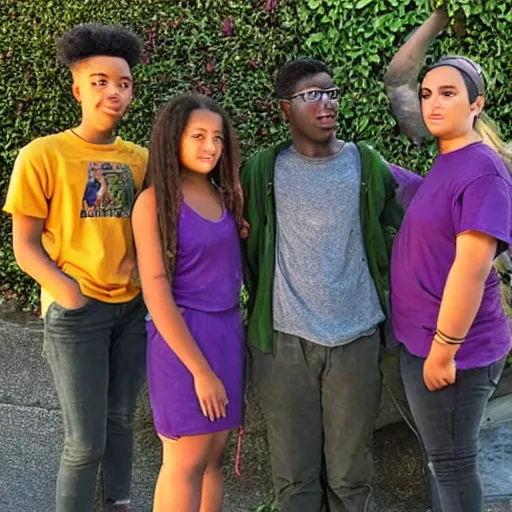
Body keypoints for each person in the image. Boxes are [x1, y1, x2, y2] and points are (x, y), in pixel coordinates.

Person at [240, 57, 404, 511]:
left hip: (356, 336)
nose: (326, 103)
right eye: (312, 95)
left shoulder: (366, 163)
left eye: (331, 92)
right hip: (283, 340)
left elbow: (407, 229)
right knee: (294, 478)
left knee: (351, 476)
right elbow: (232, 237)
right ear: (284, 110)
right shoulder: (262, 170)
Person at [3, 24, 148, 512]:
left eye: (124, 83)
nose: (114, 91)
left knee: (121, 421)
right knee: (84, 442)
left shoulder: (140, 160)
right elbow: (25, 246)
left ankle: (119, 504)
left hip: (131, 311)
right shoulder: (42, 154)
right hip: (77, 316)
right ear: (78, 88)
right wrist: (68, 293)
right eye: (101, 81)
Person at [387, 10, 512, 512]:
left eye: (448, 93)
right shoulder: (450, 158)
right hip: (425, 344)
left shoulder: (482, 171)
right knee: (443, 462)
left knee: (454, 466)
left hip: (456, 352)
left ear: (476, 103)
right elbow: (435, 215)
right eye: (428, 94)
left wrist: (443, 351)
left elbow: (470, 268)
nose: (433, 102)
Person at [131, 94, 245, 512]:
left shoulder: (226, 195)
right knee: (185, 460)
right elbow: (156, 291)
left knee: (213, 459)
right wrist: (200, 371)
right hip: (182, 340)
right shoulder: (154, 202)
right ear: (172, 139)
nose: (210, 147)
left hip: (228, 333)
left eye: (217, 137)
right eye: (197, 136)